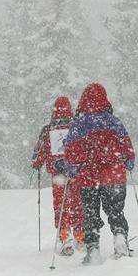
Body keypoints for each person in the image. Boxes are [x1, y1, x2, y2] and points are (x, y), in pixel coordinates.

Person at [63, 83, 135, 265]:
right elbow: (126, 146)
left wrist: (72, 169)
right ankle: (120, 238)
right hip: (114, 176)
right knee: (115, 210)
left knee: (90, 214)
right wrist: (128, 161)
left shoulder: (79, 125)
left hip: (88, 177)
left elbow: (71, 151)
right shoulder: (114, 122)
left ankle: (93, 249)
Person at [31, 96, 84, 255]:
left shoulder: (47, 130)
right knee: (77, 204)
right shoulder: (76, 127)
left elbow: (38, 153)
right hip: (75, 174)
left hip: (58, 176)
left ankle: (64, 236)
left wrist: (37, 163)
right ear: (70, 109)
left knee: (60, 205)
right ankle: (80, 236)